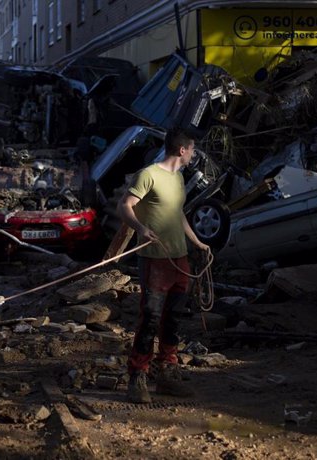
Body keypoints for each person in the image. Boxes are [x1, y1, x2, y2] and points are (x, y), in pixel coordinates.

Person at [118, 128, 210, 403]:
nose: (193, 154)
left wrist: (196, 242)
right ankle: (138, 376)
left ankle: (168, 374)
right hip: (155, 259)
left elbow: (177, 213)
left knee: (173, 320)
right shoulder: (148, 175)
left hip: (178, 259)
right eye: (192, 149)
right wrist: (140, 228)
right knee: (151, 318)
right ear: (182, 150)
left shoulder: (178, 178)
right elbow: (126, 205)